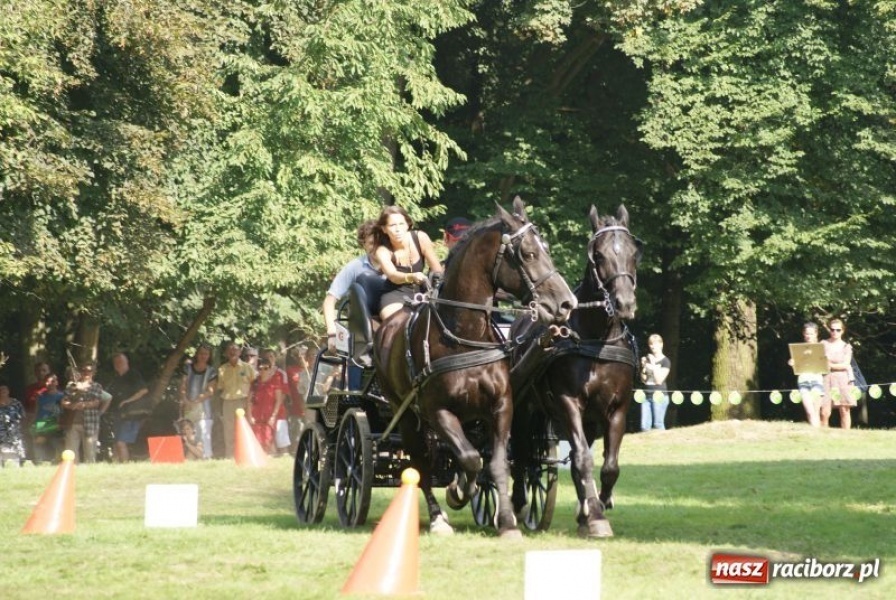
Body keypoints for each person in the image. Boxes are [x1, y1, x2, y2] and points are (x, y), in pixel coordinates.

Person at [322, 219, 382, 353]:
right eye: (372, 243)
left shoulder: (398, 263)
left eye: (380, 242)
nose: (376, 248)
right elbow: (329, 301)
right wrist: (332, 333)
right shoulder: (355, 267)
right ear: (364, 245)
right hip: (365, 326)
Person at [374, 205, 443, 321]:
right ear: (384, 229)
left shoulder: (421, 237)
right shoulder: (382, 251)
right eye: (392, 225)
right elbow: (393, 276)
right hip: (395, 295)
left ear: (408, 225)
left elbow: (437, 270)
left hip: (423, 292)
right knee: (396, 322)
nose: (398, 229)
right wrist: (412, 276)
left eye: (401, 224)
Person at [61, 363, 111, 463]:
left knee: (90, 453)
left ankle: (90, 473)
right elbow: (64, 401)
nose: (86, 373)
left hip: (90, 422)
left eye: (89, 371)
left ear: (93, 373)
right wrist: (71, 405)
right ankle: (73, 472)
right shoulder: (72, 385)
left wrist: (82, 404)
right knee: (71, 453)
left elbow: (96, 402)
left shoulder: (96, 386)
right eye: (84, 370)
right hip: (73, 423)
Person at [106, 353, 150, 463]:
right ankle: (115, 465)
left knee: (121, 442)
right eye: (116, 362)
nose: (118, 364)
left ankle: (125, 464)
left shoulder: (133, 374)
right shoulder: (116, 378)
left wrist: (127, 401)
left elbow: (143, 390)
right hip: (119, 414)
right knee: (117, 442)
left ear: (126, 362)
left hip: (131, 414)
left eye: (120, 362)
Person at [179, 344, 217, 459]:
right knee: (188, 434)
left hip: (204, 409)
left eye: (206, 354)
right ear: (197, 354)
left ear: (209, 356)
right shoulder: (188, 368)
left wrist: (195, 401)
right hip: (188, 407)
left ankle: (206, 459)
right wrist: (185, 399)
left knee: (204, 436)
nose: (203, 356)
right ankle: (190, 458)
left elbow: (210, 391)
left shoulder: (211, 371)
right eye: (201, 353)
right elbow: (183, 385)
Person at [217, 342, 256, 458]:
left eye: (235, 349)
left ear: (239, 352)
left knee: (244, 428)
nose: (232, 352)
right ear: (226, 353)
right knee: (228, 430)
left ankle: (246, 454)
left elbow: (255, 386)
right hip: (228, 402)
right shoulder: (222, 369)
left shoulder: (247, 367)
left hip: (243, 402)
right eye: (230, 350)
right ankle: (230, 456)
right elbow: (220, 387)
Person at [788, 322, 824, 427]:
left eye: (811, 333)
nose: (809, 336)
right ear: (804, 334)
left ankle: (816, 435)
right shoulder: (798, 349)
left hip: (817, 380)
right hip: (803, 381)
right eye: (807, 333)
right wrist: (792, 363)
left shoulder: (821, 347)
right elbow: (796, 364)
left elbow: (826, 365)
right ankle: (815, 432)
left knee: (815, 411)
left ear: (816, 334)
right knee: (809, 411)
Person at [822, 318, 855, 429]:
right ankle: (822, 437)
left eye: (838, 330)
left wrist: (830, 365)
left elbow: (845, 364)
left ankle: (846, 438)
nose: (835, 332)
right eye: (832, 329)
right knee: (824, 411)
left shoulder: (847, 346)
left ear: (843, 331)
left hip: (843, 379)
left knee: (844, 409)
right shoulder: (823, 344)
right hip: (826, 378)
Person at [249, 357, 285, 455]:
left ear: (270, 369)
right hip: (256, 416)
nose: (263, 371)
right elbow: (249, 401)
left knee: (268, 439)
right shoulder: (254, 383)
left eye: (265, 368)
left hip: (269, 416)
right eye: (260, 368)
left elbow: (278, 400)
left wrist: (273, 416)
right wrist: (249, 416)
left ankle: (271, 458)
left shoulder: (275, 382)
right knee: (257, 440)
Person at [260, 348, 291, 455]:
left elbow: (284, 393)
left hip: (279, 411)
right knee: (268, 438)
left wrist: (275, 409)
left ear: (275, 358)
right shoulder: (261, 372)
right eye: (266, 357)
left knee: (281, 437)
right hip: (264, 411)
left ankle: (284, 456)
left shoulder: (281, 373)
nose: (269, 359)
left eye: (271, 356)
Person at [640, 333, 671, 431]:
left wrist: (653, 364)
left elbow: (659, 380)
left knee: (658, 424)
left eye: (655, 344)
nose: (653, 346)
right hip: (646, 396)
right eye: (650, 344)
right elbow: (644, 380)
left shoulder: (666, 361)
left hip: (659, 396)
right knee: (644, 427)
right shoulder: (647, 360)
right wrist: (643, 366)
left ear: (661, 344)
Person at [32, 374, 65, 463]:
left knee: (57, 444)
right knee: (39, 444)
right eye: (48, 381)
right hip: (42, 423)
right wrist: (34, 423)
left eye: (53, 381)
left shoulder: (61, 396)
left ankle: (59, 463)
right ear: (44, 382)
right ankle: (39, 462)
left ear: (57, 382)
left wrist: (62, 423)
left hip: (55, 423)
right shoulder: (40, 396)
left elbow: (63, 411)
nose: (50, 383)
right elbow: (36, 411)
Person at [22, 361, 51, 461]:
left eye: (44, 370)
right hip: (34, 419)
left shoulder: (52, 388)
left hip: (49, 419)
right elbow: (26, 406)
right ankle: (38, 462)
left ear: (49, 371)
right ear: (35, 372)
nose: (41, 373)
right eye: (39, 371)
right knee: (36, 442)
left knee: (51, 442)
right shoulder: (30, 388)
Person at [0, 383, 26, 466]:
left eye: (4, 389)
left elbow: (23, 417)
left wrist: (23, 430)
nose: (2, 392)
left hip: (15, 434)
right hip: (1, 435)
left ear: (8, 391)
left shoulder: (16, 403)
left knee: (18, 456)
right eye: (0, 390)